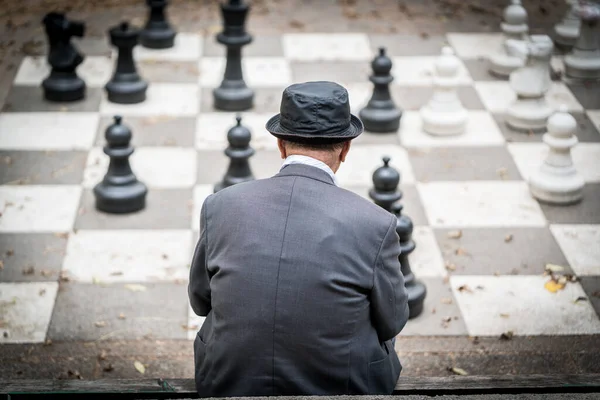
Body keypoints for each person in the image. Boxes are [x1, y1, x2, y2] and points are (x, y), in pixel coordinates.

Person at [188, 81, 409, 397]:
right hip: (340, 388)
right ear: (345, 149)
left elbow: (200, 301)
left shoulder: (220, 205)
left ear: (280, 144)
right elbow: (393, 321)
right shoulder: (376, 223)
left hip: (229, 383)